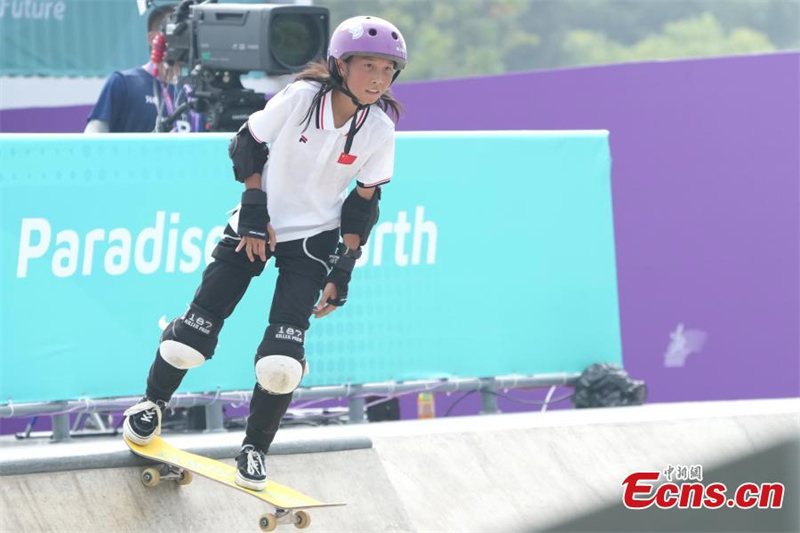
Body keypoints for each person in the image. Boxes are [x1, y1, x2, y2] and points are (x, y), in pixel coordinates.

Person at [122, 15, 408, 491]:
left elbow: (363, 204)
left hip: (313, 240)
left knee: (282, 363)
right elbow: (246, 146)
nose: (378, 78)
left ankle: (254, 448)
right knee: (190, 337)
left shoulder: (379, 129)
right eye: (368, 66)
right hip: (258, 224)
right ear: (341, 65)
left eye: (387, 69)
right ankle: (151, 403)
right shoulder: (301, 99)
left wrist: (344, 269)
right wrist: (255, 215)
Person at [84, 4, 203, 133]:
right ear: (153, 39)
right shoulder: (124, 83)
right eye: (177, 32)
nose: (183, 41)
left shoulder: (196, 93)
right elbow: (92, 140)